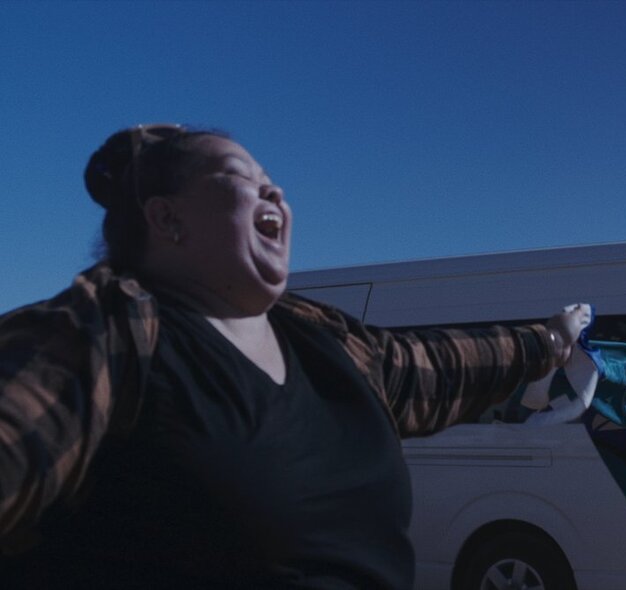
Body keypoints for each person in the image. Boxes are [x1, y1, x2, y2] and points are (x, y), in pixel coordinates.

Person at [0, 124, 590, 589]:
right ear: (167, 218)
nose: (273, 191)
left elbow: (429, 365)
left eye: (272, 180)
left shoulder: (324, 339)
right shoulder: (104, 333)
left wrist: (552, 341)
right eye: (240, 176)